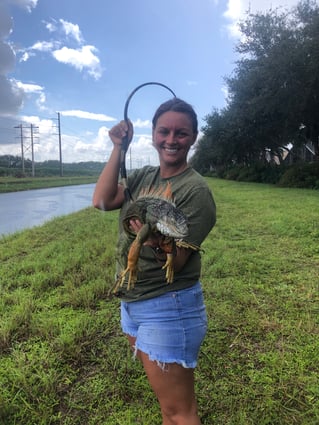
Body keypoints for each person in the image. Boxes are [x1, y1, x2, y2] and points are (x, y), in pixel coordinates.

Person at [93, 97, 216, 425]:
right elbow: (102, 201)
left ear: (193, 137)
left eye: (181, 133)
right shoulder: (144, 175)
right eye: (164, 131)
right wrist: (119, 147)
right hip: (133, 302)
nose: (171, 140)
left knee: (179, 413)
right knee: (169, 409)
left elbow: (177, 259)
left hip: (168, 306)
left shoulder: (196, 191)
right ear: (153, 134)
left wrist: (155, 240)